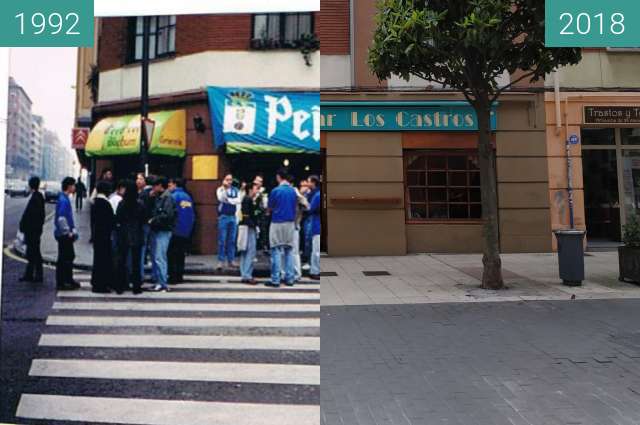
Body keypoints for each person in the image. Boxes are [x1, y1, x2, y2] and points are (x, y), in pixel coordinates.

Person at [265, 169, 298, 287]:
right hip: (290, 223)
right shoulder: (293, 191)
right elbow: (296, 207)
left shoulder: (275, 191)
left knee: (276, 250)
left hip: (277, 222)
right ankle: (289, 278)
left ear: (279, 177)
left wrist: (268, 211)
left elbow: (269, 208)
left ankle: (276, 279)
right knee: (289, 250)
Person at [115, 180, 145, 295]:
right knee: (136, 262)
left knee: (121, 260)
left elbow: (118, 218)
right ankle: (136, 287)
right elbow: (143, 219)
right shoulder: (140, 204)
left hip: (123, 234)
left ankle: (120, 286)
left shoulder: (122, 203)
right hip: (137, 233)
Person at [148, 176, 176, 292]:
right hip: (157, 229)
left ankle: (163, 283)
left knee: (160, 257)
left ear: (160, 186)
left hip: (163, 230)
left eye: (155, 185)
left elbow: (167, 215)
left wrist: (153, 220)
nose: (153, 188)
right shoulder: (158, 197)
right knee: (155, 257)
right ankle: (159, 281)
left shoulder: (167, 198)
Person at [168, 177, 195, 284]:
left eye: (170, 184)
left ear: (175, 184)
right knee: (180, 255)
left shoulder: (173, 196)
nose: (169, 187)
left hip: (175, 230)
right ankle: (179, 276)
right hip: (185, 230)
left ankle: (173, 277)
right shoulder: (187, 197)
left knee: (172, 255)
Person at [54, 177, 80, 291]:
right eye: (73, 185)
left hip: (62, 233)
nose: (74, 187)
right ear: (69, 186)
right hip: (64, 234)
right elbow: (61, 218)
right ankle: (64, 282)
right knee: (66, 258)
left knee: (67, 257)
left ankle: (67, 280)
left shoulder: (64, 198)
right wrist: (68, 232)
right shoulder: (64, 200)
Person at [90, 180, 115, 293]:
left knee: (98, 260)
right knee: (103, 260)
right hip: (104, 236)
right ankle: (101, 284)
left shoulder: (96, 202)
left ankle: (96, 282)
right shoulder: (105, 203)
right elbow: (110, 221)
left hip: (97, 235)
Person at [19, 176, 45, 283]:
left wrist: (25, 227)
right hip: (34, 231)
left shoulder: (35, 198)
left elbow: (32, 216)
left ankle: (38, 275)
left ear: (30, 185)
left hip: (33, 232)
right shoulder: (38, 196)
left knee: (35, 253)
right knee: (32, 253)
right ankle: (29, 275)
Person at [216, 173, 242, 270]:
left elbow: (238, 200)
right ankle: (221, 260)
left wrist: (229, 200)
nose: (229, 181)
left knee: (232, 240)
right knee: (222, 239)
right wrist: (225, 190)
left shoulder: (236, 190)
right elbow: (221, 198)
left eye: (230, 180)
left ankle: (231, 260)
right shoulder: (220, 189)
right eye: (227, 179)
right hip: (223, 216)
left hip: (232, 216)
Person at [239, 183, 259, 284]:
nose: (257, 191)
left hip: (245, 226)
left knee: (244, 251)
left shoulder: (246, 199)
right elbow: (247, 215)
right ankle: (247, 275)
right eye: (256, 189)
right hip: (249, 227)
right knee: (250, 251)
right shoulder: (248, 199)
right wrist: (254, 226)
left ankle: (244, 274)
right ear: (250, 190)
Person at [138, 174, 156, 283]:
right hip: (154, 224)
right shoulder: (156, 194)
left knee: (142, 250)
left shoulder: (142, 194)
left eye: (140, 179)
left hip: (144, 224)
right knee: (154, 250)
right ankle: (155, 275)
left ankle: (141, 275)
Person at [292, 178, 310, 282]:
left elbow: (307, 206)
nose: (305, 188)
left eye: (306, 186)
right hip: (293, 224)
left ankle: (297, 274)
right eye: (303, 186)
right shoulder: (296, 194)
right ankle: (293, 273)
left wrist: (301, 197)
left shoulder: (301, 197)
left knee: (294, 251)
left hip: (296, 225)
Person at [308, 175, 321, 280]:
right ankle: (315, 270)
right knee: (317, 250)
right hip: (318, 225)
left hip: (317, 225)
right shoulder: (319, 195)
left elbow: (310, 209)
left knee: (316, 250)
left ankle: (315, 270)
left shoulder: (317, 195)